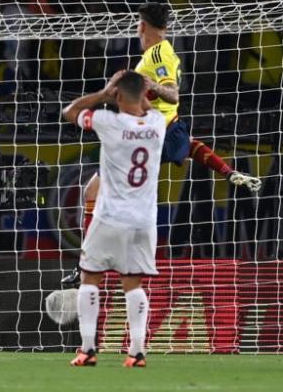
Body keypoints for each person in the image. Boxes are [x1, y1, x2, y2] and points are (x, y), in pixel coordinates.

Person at [62, 2, 262, 286]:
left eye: (137, 24)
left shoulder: (158, 54)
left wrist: (150, 85)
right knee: (96, 190)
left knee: (101, 193)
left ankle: (91, 263)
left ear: (142, 25)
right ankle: (95, 262)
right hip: (168, 132)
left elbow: (172, 94)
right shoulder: (161, 53)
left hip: (152, 135)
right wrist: (227, 170)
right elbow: (185, 135)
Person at [62, 70, 165, 368]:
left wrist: (104, 94)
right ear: (143, 95)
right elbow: (148, 108)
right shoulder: (157, 123)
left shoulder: (109, 122)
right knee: (133, 283)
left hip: (109, 217)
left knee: (90, 277)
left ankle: (88, 349)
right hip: (144, 220)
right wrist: (141, 92)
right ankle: (137, 352)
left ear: (118, 95)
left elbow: (70, 111)